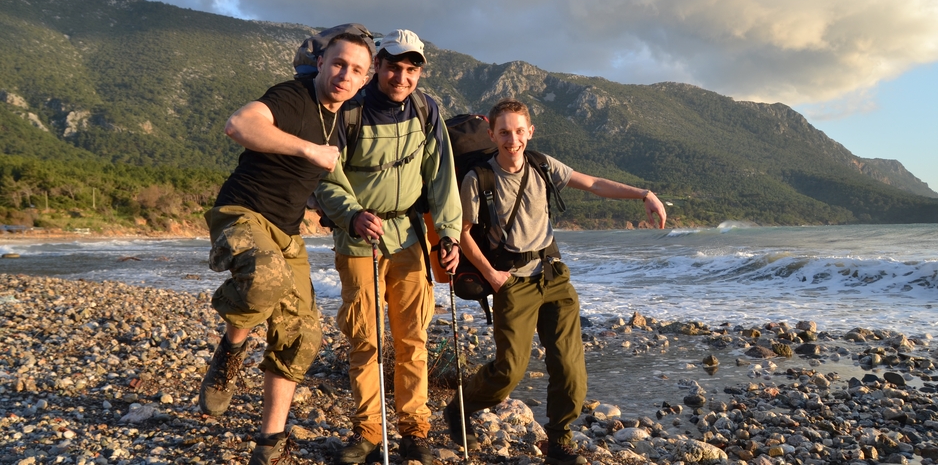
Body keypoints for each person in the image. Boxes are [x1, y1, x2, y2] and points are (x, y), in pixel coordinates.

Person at [443, 98, 667, 465]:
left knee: (570, 369)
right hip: (511, 282)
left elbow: (593, 183)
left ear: (529, 132)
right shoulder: (478, 178)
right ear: (492, 134)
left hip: (554, 276)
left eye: (519, 131)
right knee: (509, 370)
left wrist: (644, 194)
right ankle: (460, 406)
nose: (512, 139)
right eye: (504, 132)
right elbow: (463, 232)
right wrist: (492, 275)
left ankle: (560, 441)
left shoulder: (542, 165)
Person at [200, 25, 376, 465]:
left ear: (364, 79)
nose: (344, 74)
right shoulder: (292, 96)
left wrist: (335, 206)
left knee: (303, 335)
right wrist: (308, 151)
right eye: (337, 63)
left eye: (356, 70)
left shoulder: (346, 117)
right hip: (242, 212)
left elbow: (312, 179)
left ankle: (270, 441)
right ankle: (231, 350)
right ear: (321, 63)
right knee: (264, 277)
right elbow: (239, 124)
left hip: (287, 230)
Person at [315, 29, 462, 465]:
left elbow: (442, 177)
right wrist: (352, 214)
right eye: (394, 66)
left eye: (411, 69)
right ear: (377, 65)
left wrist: (449, 235)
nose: (402, 76)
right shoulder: (349, 111)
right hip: (359, 238)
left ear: (419, 73)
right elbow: (326, 174)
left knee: (413, 337)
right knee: (365, 339)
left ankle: (414, 430)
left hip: (410, 237)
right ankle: (367, 432)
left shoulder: (425, 109)